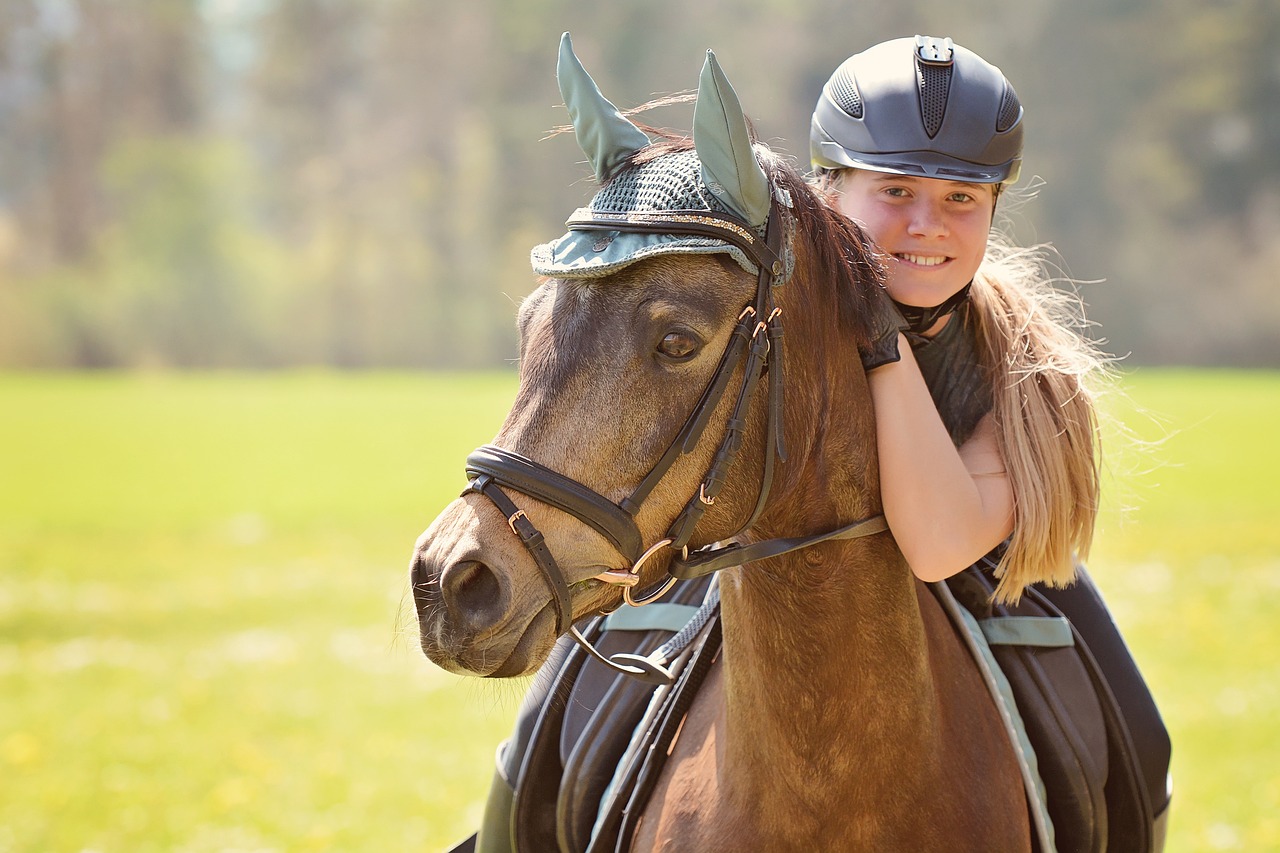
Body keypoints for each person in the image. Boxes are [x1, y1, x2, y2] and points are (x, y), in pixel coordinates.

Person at [810, 34, 1171, 847]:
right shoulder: (763, 319)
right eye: (895, 188)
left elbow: (939, 544)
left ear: (995, 208)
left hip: (991, 581)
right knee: (569, 700)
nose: (926, 224)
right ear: (831, 190)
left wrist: (876, 336)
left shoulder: (1028, 371)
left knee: (1141, 739)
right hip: (765, 568)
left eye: (961, 199)